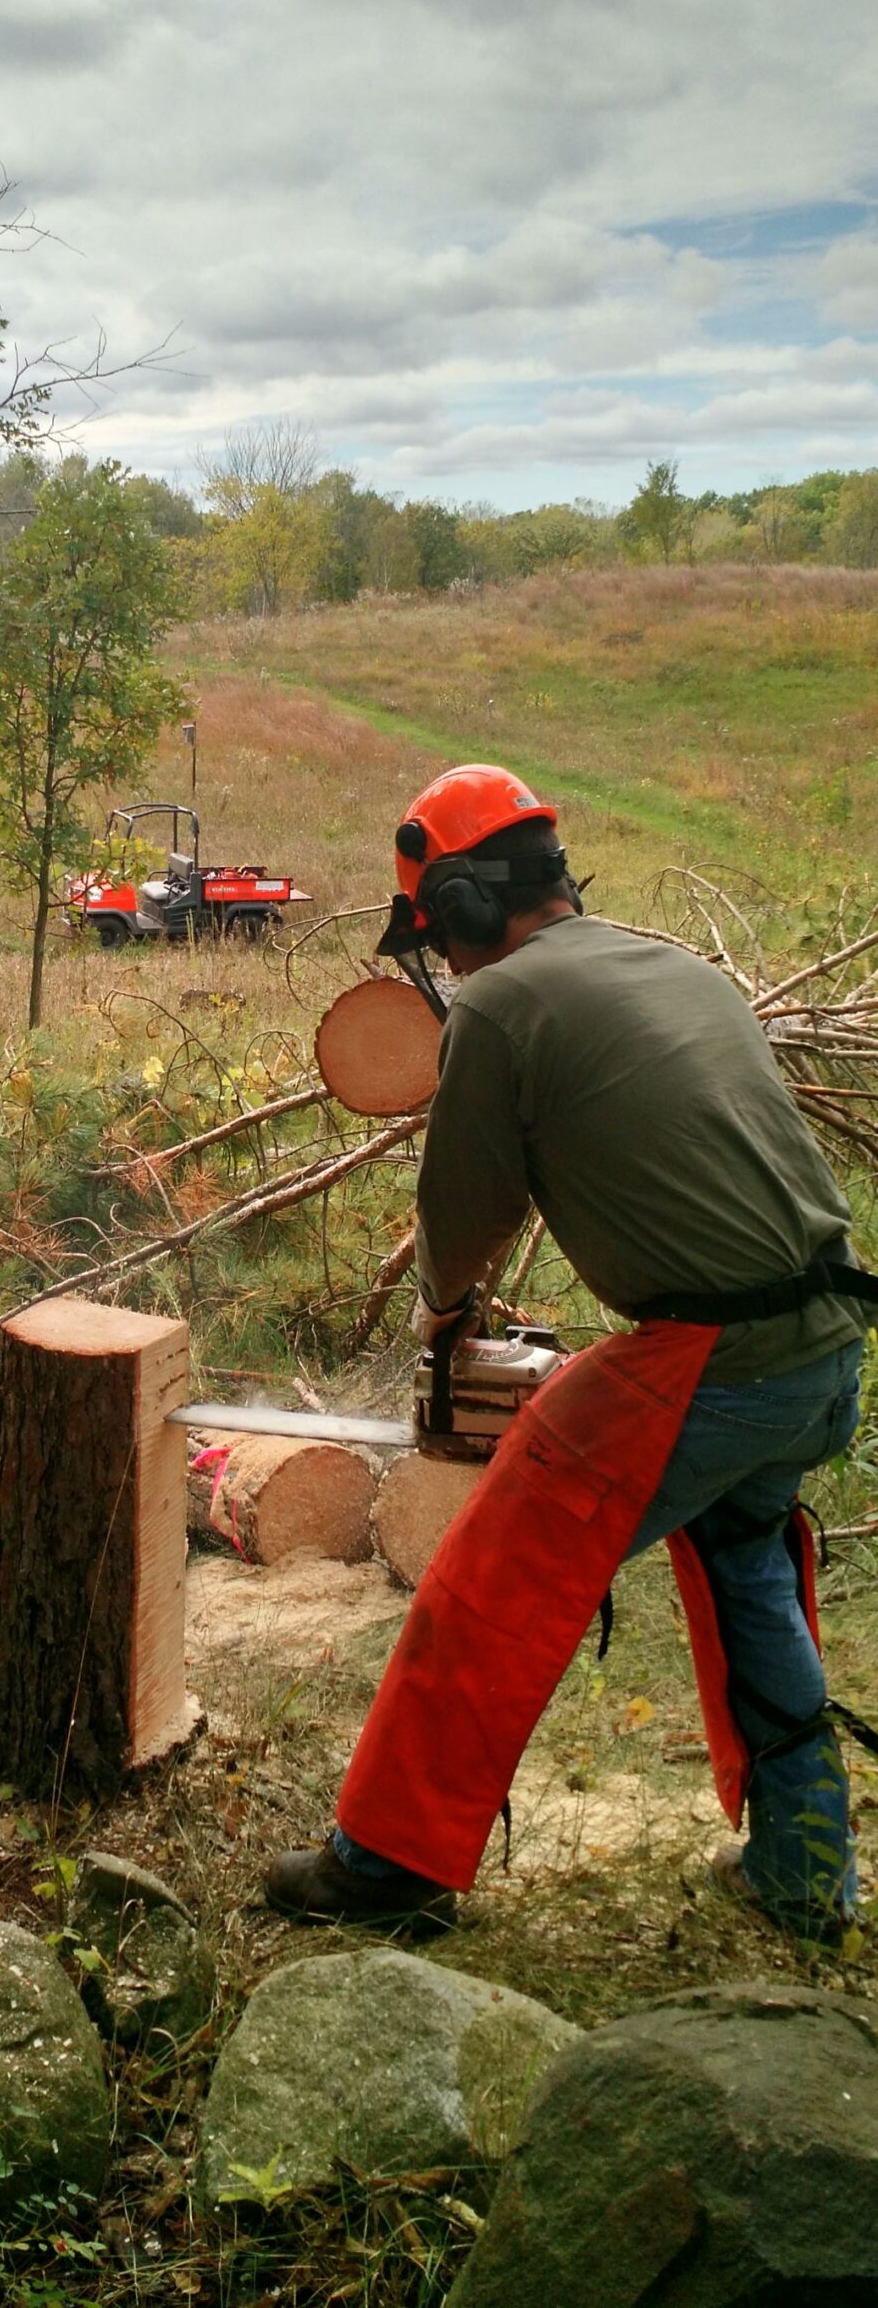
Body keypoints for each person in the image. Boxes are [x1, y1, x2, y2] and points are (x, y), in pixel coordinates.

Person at [267, 763, 875, 1944]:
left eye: (437, 936)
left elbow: (465, 1209)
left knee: (490, 1574)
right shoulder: (672, 963)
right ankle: (807, 1869)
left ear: (462, 903)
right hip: (826, 1346)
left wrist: (444, 1313)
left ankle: (388, 1859)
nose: (442, 964)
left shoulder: (500, 1005)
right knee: (747, 1563)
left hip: (719, 1356)